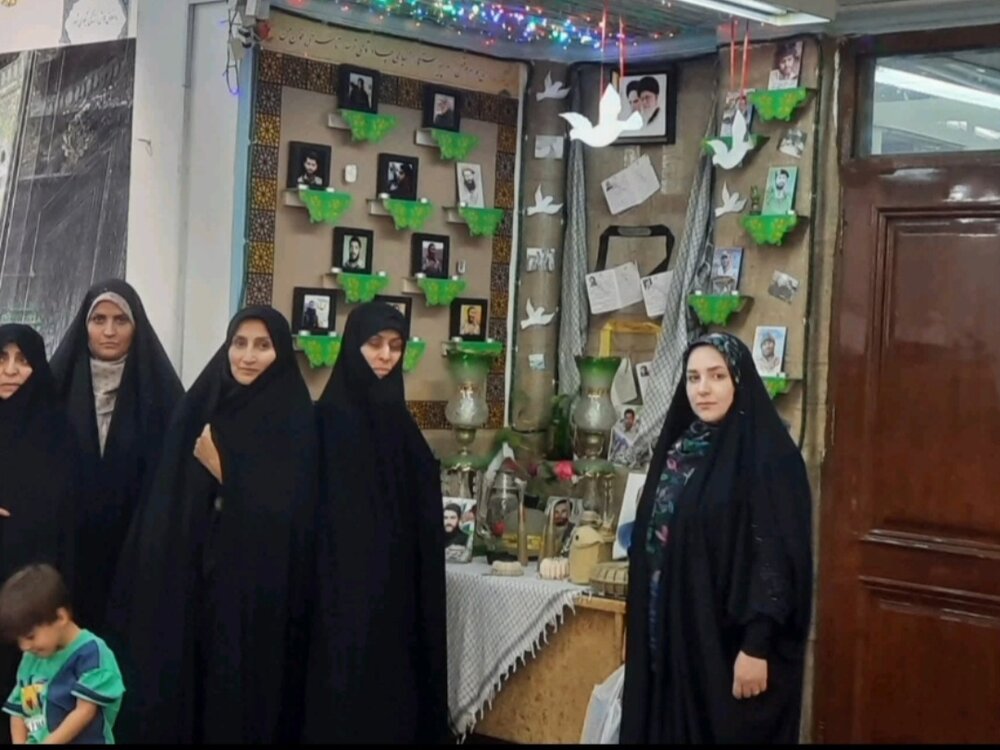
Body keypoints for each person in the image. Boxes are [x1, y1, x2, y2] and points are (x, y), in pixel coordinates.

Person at [110, 307, 317, 744]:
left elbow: (294, 517)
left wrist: (228, 473)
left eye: (262, 346)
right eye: (239, 343)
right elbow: (168, 499)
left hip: (256, 597)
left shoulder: (296, 420)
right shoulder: (201, 405)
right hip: (191, 586)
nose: (247, 356)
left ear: (280, 352)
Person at [620, 333, 812, 744]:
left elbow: (778, 558)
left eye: (717, 376)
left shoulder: (770, 458)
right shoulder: (678, 450)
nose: (702, 389)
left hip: (725, 647)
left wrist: (757, 646)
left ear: (739, 380)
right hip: (670, 639)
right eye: (693, 378)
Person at [304, 301, 448, 744]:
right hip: (336, 589)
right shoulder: (324, 420)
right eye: (375, 344)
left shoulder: (400, 425)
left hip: (393, 591)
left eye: (395, 345)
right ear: (353, 346)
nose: (386, 356)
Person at [50, 280, 183, 634]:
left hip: (136, 545)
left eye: (120, 320)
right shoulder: (56, 386)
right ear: (85, 325)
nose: (109, 331)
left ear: (136, 326)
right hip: (69, 547)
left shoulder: (162, 393)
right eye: (99, 320)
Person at [0, 325, 82, 724]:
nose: (10, 370)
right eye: (1, 359)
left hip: (35, 595)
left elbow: (69, 516)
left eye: (23, 360)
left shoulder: (59, 432)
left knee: (31, 694)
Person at [0, 564, 124, 745]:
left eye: (30, 636)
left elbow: (85, 712)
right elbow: (21, 712)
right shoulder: (31, 659)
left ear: (60, 617)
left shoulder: (91, 653)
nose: (24, 646)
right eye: (19, 640)